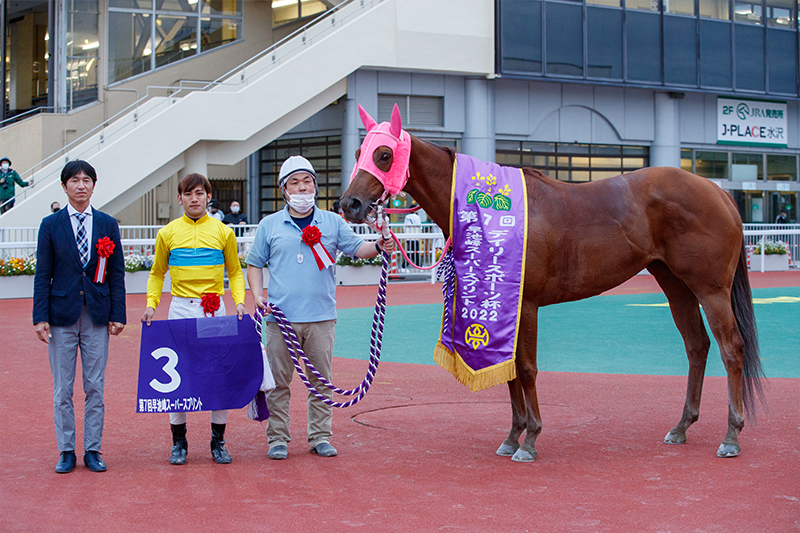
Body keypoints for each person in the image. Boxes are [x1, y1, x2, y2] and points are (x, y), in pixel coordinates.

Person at [245, 155, 394, 460]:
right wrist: (257, 294)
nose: (302, 188)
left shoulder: (332, 222)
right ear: (284, 190)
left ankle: (320, 436)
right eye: (295, 183)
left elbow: (358, 249)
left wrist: (379, 245)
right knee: (277, 384)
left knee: (321, 383)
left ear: (315, 185)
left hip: (321, 317)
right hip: (280, 319)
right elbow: (254, 263)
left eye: (307, 181)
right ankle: (278, 438)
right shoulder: (270, 224)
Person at [141, 173, 246, 466]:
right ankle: (179, 442)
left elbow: (235, 272)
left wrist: (238, 302)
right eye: (188, 194)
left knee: (219, 375)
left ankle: (218, 441)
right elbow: (157, 273)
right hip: (180, 309)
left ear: (208, 196)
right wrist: (152, 305)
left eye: (199, 193)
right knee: (178, 378)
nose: (194, 198)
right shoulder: (168, 233)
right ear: (180, 199)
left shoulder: (224, 232)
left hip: (214, 311)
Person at [32, 160, 126, 474]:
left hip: (97, 316)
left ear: (94, 185)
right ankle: (66, 450)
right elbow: (42, 273)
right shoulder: (51, 224)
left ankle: (93, 449)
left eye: (87, 180)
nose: (81, 185)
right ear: (64, 186)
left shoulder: (107, 223)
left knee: (95, 386)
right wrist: (39, 316)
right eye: (75, 180)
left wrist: (118, 313)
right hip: (61, 317)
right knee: (63, 388)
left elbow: (116, 273)